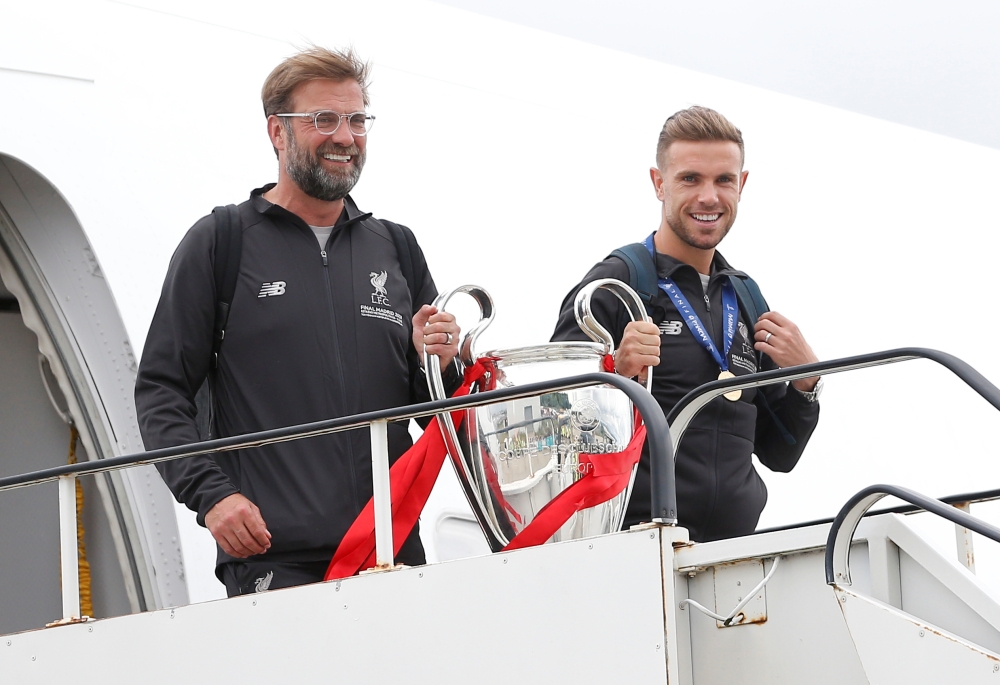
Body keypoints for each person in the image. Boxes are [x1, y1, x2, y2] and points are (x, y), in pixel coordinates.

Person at [135, 47, 461, 596]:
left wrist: (442, 364)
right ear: (277, 132)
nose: (345, 137)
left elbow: (437, 414)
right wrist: (211, 496)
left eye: (357, 120)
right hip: (273, 559)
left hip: (392, 552)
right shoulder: (221, 242)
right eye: (323, 120)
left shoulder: (396, 247)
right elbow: (161, 392)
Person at [551, 106, 821, 542]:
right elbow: (552, 428)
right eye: (690, 179)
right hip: (634, 548)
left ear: (742, 184)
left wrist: (807, 382)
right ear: (659, 183)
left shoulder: (746, 297)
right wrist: (615, 373)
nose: (709, 197)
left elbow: (780, 452)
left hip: (730, 555)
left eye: (723, 180)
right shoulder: (617, 283)